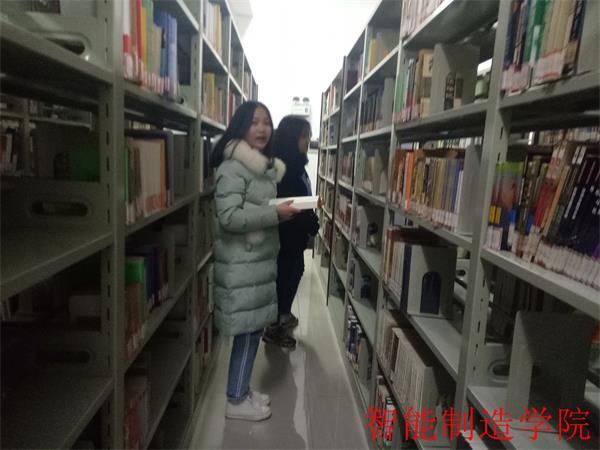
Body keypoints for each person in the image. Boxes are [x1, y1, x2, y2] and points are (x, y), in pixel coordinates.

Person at [211, 101, 299, 421]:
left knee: (251, 333)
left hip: (257, 264)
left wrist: (279, 210)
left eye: (267, 122)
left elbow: (254, 208)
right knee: (246, 335)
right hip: (242, 266)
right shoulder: (232, 168)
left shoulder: (259, 167)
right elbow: (229, 217)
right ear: (241, 126)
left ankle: (242, 390)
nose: (262, 129)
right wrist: (274, 213)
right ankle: (235, 400)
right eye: (254, 122)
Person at [262, 115, 319, 348]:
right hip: (285, 239)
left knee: (296, 272)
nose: (308, 140)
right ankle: (273, 328)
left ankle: (283, 313)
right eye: (304, 136)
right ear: (290, 137)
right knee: (284, 280)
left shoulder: (298, 165)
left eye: (309, 135)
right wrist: (310, 222)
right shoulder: (282, 171)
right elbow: (287, 207)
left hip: (296, 238)